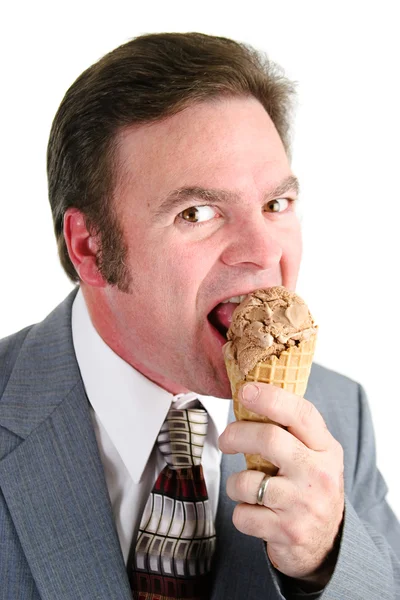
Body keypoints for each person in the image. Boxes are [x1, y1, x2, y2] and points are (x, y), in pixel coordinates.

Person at [0, 32, 399, 600]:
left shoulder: (338, 418)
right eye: (198, 211)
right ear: (89, 247)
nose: (263, 251)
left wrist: (324, 558)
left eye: (275, 204)